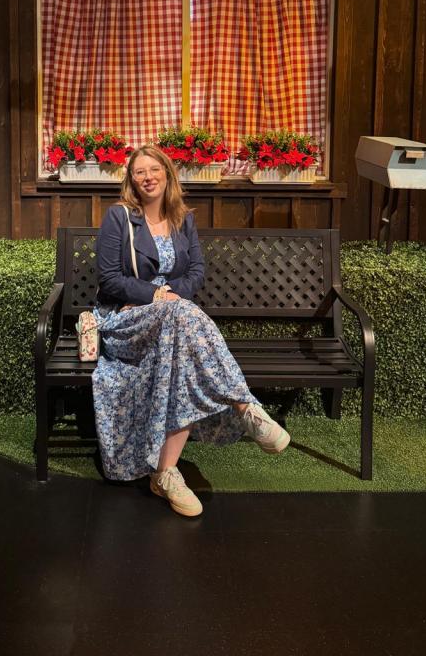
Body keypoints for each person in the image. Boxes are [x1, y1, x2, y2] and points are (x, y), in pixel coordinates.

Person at [91, 144, 291, 517]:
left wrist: (169, 297)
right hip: (127, 318)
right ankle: (246, 407)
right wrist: (154, 296)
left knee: (181, 336)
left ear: (168, 174)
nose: (147, 177)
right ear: (131, 179)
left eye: (154, 169)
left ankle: (165, 473)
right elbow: (109, 278)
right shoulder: (119, 217)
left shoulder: (183, 219)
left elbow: (196, 272)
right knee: (183, 315)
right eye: (139, 172)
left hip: (175, 320)